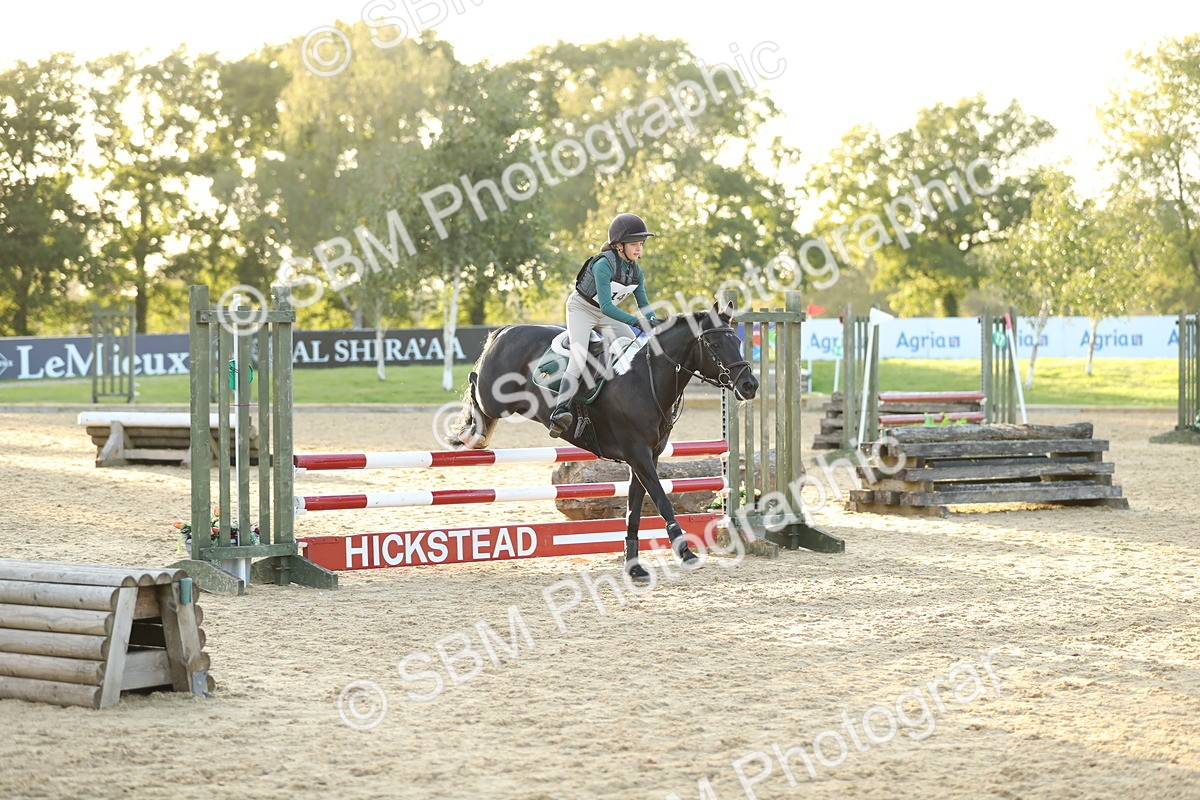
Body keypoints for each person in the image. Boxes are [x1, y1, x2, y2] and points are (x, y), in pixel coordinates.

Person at [547, 212, 664, 437]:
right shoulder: (603, 265)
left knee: (633, 350)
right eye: (634, 244)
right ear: (619, 245)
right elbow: (608, 307)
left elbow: (643, 303)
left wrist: (653, 321)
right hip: (582, 309)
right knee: (579, 357)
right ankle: (560, 412)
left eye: (641, 244)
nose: (639, 249)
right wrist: (637, 323)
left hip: (604, 314)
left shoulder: (636, 271)